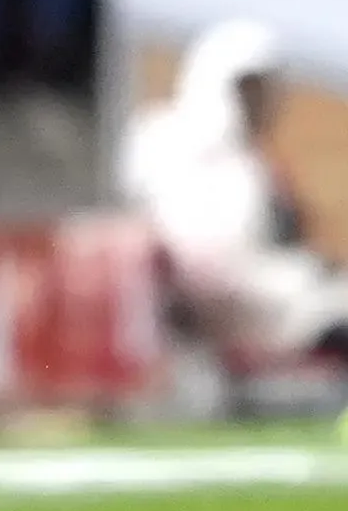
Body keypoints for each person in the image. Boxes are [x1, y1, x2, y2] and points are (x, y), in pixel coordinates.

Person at [119, 19, 348, 375]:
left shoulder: (254, 165)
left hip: (262, 295)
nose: (263, 104)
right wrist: (301, 278)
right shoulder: (165, 140)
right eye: (252, 91)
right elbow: (204, 260)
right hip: (218, 305)